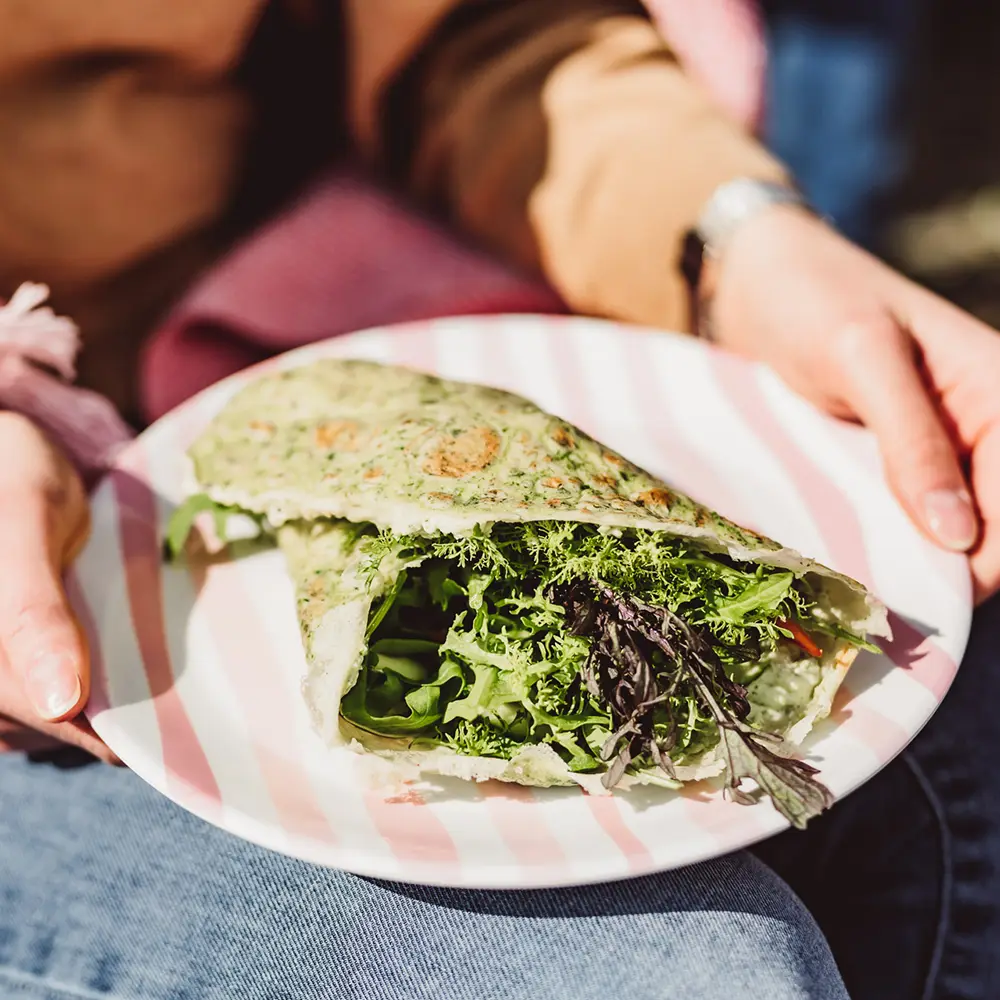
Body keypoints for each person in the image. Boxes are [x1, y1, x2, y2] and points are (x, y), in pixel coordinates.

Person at [0, 2, 998, 998]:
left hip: (234, 346)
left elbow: (473, 33)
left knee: (967, 729)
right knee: (704, 972)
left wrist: (735, 237)